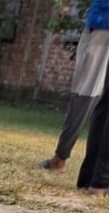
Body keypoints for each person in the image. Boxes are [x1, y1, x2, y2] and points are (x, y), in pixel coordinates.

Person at [40, 0, 109, 194]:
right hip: (102, 21)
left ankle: (90, 177)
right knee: (93, 99)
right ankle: (94, 180)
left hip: (102, 22)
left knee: (86, 95)